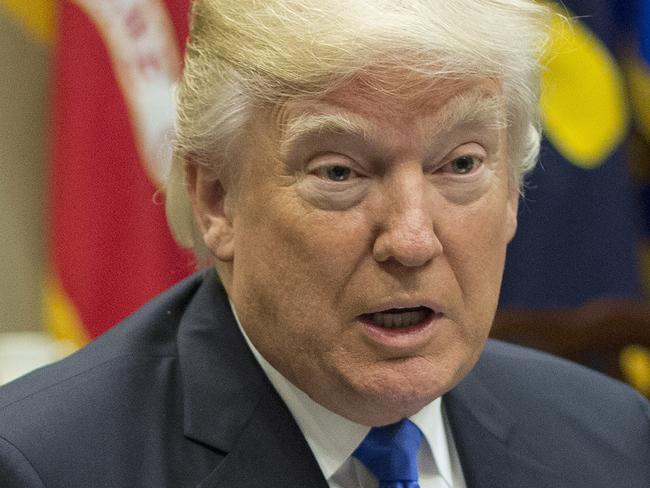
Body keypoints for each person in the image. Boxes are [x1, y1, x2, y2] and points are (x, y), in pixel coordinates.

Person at [1, 1, 648, 486]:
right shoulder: (43, 467)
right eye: (340, 172)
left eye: (460, 165)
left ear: (512, 190)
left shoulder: (610, 440)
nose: (412, 239)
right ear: (217, 199)